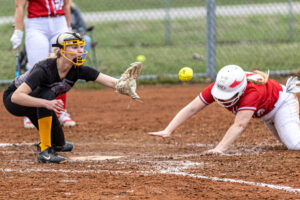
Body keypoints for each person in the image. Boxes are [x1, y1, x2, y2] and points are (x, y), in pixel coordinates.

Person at [3, 32, 142, 163]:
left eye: (81, 46)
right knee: (47, 94)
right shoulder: (44, 69)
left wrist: (125, 86)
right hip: (15, 102)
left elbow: (110, 81)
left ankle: (51, 145)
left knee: (60, 144)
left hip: (39, 102)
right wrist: (46, 103)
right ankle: (45, 152)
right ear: (62, 50)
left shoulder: (77, 69)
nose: (80, 50)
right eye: (75, 47)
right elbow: (16, 97)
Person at [149, 65, 300, 154]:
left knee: (295, 144)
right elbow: (192, 108)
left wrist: (219, 149)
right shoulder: (220, 85)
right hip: (267, 113)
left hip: (282, 104)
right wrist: (168, 129)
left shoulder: (252, 92)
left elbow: (239, 124)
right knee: (288, 144)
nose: (223, 98)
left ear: (240, 90)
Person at [10, 0, 76, 128]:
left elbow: (66, 4)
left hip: (59, 21)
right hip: (37, 23)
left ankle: (60, 111)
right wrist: (18, 31)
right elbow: (20, 5)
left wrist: (68, 28)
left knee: (62, 66)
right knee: (37, 67)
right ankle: (31, 112)